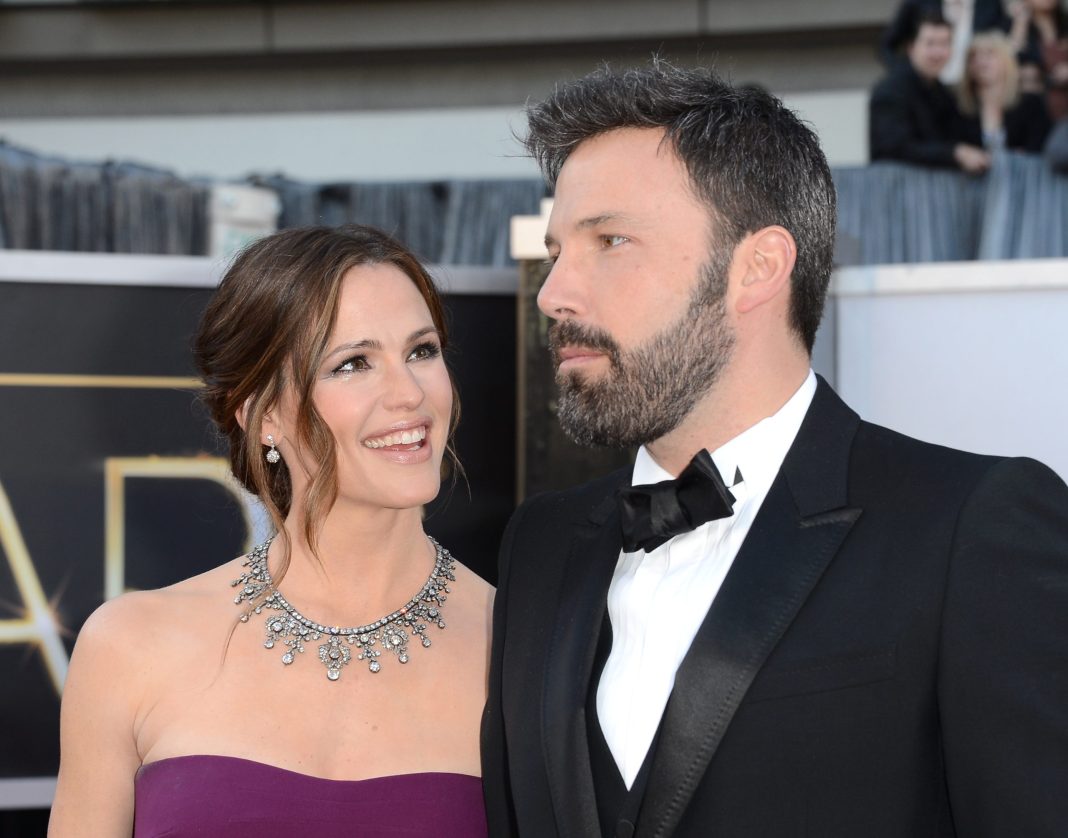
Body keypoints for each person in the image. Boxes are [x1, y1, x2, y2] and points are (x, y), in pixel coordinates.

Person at [482, 59, 1068, 837]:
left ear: (756, 268)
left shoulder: (972, 526)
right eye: (558, 251)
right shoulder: (539, 546)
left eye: (610, 241)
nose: (554, 293)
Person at [49, 226, 493, 837]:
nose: (409, 393)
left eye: (421, 351)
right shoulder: (129, 648)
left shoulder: (523, 651)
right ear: (260, 414)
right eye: (353, 364)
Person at [870, 10, 992, 171]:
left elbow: (966, 137)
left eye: (944, 44)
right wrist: (954, 154)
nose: (938, 53)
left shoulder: (944, 94)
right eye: (930, 44)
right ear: (912, 48)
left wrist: (989, 93)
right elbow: (894, 148)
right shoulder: (890, 91)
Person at [958, 30, 1053, 151]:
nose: (980, 60)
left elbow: (1038, 146)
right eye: (973, 56)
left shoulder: (1031, 104)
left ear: (1007, 61)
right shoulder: (960, 106)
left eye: (989, 54)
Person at [881, 0, 1011, 82]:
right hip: (930, 92)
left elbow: (1003, 45)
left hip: (973, 94)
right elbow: (887, 46)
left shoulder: (990, 4)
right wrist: (908, 75)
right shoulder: (918, 3)